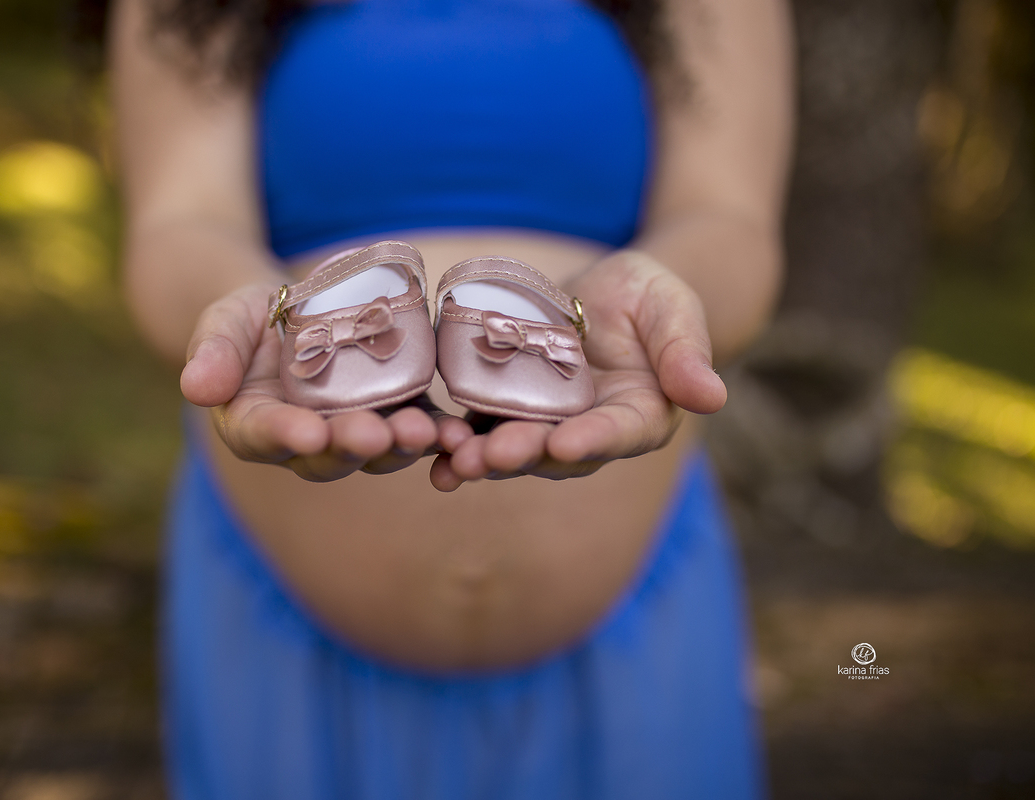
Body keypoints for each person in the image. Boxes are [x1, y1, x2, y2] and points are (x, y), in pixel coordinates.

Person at [110, 0, 793, 795]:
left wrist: (661, 308)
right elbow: (178, 226)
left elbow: (731, 224)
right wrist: (252, 318)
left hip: (633, 637)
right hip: (288, 646)